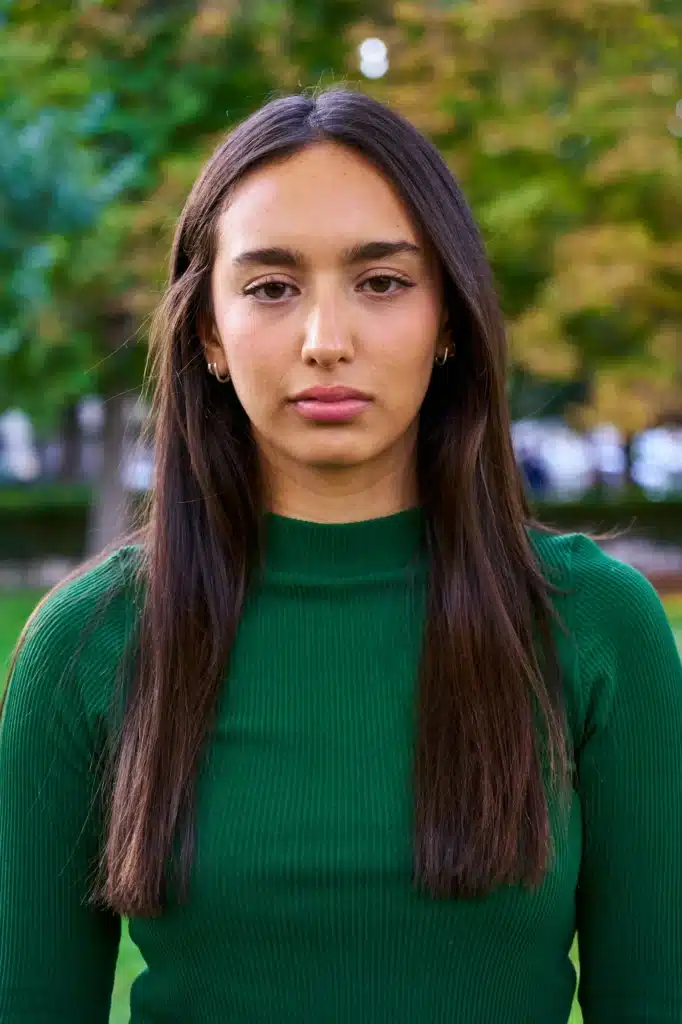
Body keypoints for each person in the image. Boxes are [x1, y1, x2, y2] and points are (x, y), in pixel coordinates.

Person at [1, 88, 681, 1024]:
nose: (327, 341)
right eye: (271, 288)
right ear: (208, 330)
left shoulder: (598, 626)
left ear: (448, 318)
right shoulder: (87, 644)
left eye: (382, 283)